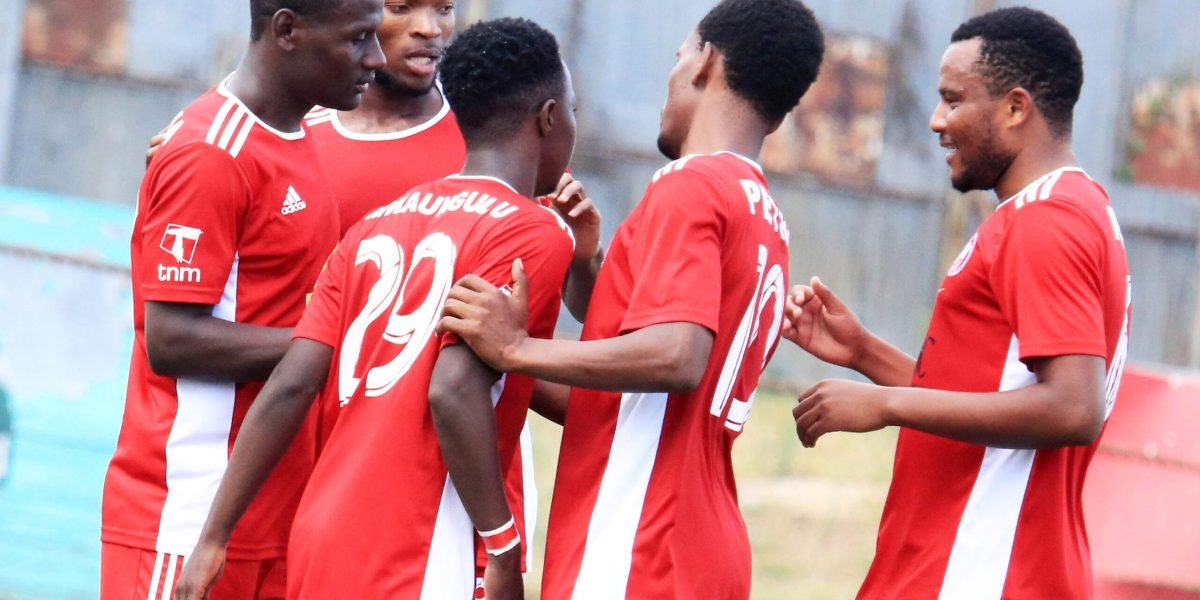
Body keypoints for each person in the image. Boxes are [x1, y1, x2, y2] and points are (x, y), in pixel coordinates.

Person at [174, 17, 578, 600]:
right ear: (547, 117)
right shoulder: (535, 232)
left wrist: (214, 536)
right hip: (420, 543)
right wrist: (504, 546)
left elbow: (290, 384)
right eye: (573, 111)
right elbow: (453, 390)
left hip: (321, 532)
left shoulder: (374, 224)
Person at [438, 1, 824, 597]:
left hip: (638, 537)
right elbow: (622, 390)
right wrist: (586, 266)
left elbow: (676, 355)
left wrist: (515, 348)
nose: (669, 79)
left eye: (677, 58)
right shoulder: (762, 210)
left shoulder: (690, 184)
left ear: (705, 62)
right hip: (701, 536)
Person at [782, 7, 1131, 599]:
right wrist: (865, 353)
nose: (937, 121)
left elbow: (1073, 407)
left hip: (981, 569)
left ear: (1016, 108)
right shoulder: (1069, 209)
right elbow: (998, 399)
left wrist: (887, 404)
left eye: (953, 99)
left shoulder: (1047, 221)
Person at [99, 1, 385, 599]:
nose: (375, 59)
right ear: (287, 30)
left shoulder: (296, 138)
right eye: (358, 39)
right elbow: (170, 338)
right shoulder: (212, 151)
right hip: (186, 519)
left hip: (269, 518)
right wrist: (335, 341)